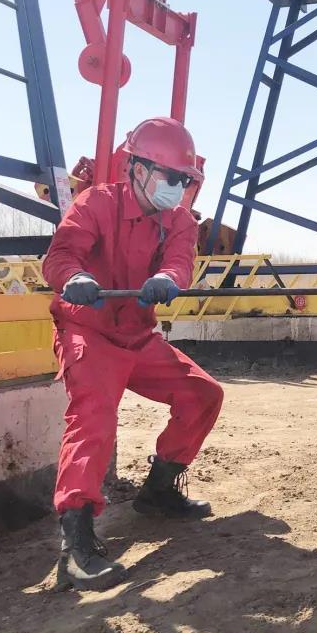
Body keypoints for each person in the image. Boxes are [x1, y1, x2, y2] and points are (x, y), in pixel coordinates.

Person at [42, 117, 224, 591]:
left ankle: (159, 492)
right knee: (95, 417)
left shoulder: (180, 220)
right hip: (90, 332)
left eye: (185, 180)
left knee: (203, 395)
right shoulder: (96, 204)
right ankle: (77, 543)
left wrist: (170, 279)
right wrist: (73, 279)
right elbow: (60, 255)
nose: (179, 188)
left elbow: (179, 260)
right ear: (139, 170)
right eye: (172, 178)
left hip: (138, 336)